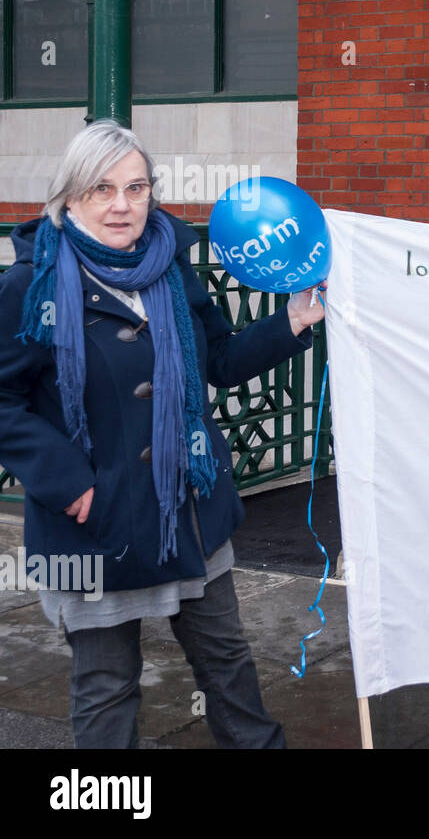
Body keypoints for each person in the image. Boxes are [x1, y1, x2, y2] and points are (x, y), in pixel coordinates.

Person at [0, 120, 325, 748]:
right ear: (70, 198)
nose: (122, 204)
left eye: (137, 187)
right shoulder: (29, 285)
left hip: (189, 509)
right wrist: (70, 485)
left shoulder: (171, 270)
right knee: (106, 684)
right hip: (91, 521)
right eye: (102, 189)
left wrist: (292, 319)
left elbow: (221, 360)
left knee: (228, 666)